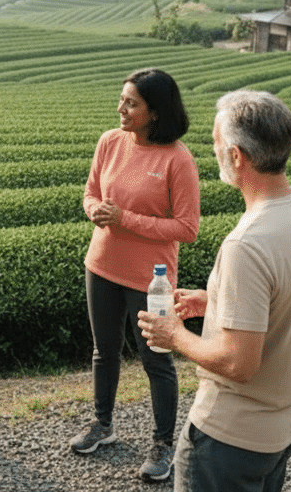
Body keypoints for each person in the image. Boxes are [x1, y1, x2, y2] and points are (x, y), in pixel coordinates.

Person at [137, 90, 291, 492]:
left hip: (231, 438)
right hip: (284, 428)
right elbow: (289, 295)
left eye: (215, 142)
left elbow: (239, 364)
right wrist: (216, 301)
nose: (212, 150)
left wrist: (173, 335)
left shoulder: (247, 244)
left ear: (237, 157)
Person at [71, 68, 200, 483]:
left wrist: (125, 219)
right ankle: (102, 424)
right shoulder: (109, 141)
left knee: (156, 359)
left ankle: (164, 444)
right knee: (103, 350)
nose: (121, 108)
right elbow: (91, 192)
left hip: (152, 278)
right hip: (102, 265)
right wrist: (94, 210)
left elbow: (187, 228)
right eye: (122, 99)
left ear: (155, 113)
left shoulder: (177, 159)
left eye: (132, 103)